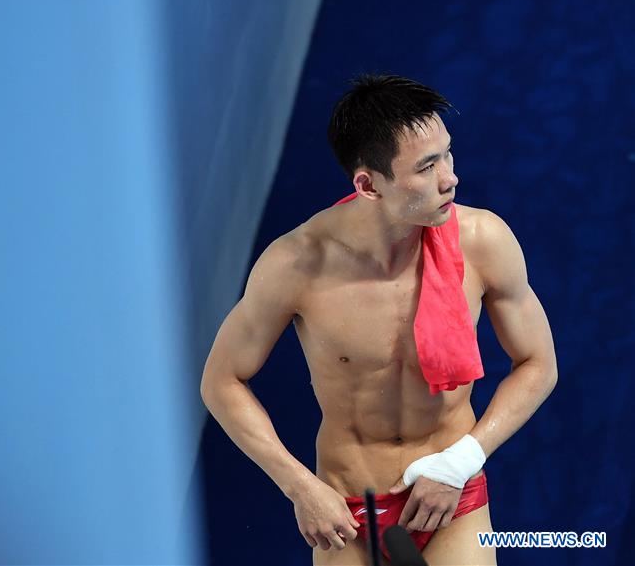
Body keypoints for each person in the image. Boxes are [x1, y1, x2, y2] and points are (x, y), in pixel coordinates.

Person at [199, 74, 558, 565]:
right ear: (368, 185)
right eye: (427, 167)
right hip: (347, 508)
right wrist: (300, 486)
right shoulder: (297, 263)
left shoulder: (484, 241)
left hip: (450, 494)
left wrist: (462, 461)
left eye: (447, 155)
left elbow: (540, 364)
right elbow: (221, 381)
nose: (449, 177)